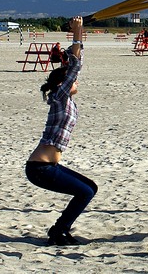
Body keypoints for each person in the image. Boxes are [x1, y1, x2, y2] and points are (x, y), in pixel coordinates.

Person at [26, 15, 97, 246]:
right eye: (70, 81)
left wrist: (78, 39)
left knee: (90, 188)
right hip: (41, 168)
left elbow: (73, 67)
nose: (76, 83)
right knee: (85, 192)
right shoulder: (59, 96)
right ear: (62, 84)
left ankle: (59, 229)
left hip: (49, 165)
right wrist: (78, 31)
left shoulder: (65, 100)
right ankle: (59, 231)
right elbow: (74, 67)